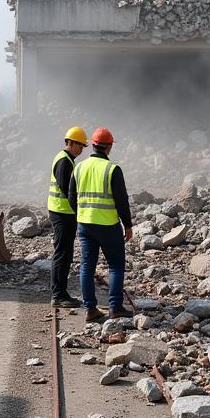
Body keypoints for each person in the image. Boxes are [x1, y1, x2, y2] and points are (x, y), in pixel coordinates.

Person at [68, 126, 133, 323]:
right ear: (109, 147)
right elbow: (122, 200)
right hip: (107, 225)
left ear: (93, 146)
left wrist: (82, 214)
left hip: (85, 224)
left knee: (87, 267)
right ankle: (115, 307)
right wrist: (128, 225)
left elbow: (71, 197)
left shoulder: (78, 167)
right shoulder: (112, 169)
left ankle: (90, 309)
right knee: (115, 265)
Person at [48, 126, 88, 308]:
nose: (81, 149)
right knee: (62, 255)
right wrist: (81, 213)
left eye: (82, 146)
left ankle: (60, 293)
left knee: (64, 254)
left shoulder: (67, 160)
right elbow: (68, 192)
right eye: (79, 145)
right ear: (69, 143)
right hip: (62, 214)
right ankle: (58, 295)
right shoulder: (64, 162)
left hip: (63, 213)